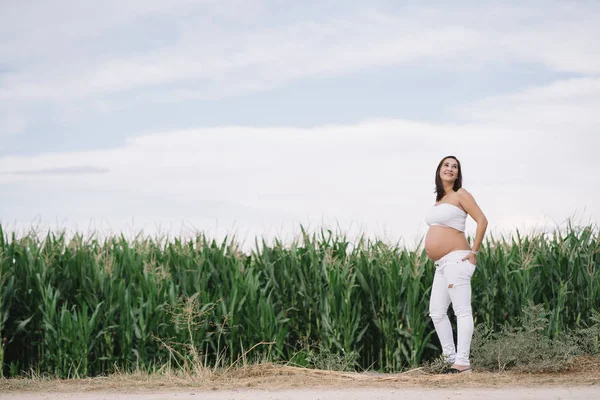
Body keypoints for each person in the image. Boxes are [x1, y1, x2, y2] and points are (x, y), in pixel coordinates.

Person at [424, 155, 488, 373]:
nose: (450, 169)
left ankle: (462, 362)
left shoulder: (461, 194)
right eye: (446, 165)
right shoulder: (439, 199)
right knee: (437, 312)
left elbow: (482, 220)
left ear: (458, 174)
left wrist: (474, 251)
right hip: (442, 264)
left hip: (457, 258)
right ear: (439, 170)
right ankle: (450, 358)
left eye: (454, 167)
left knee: (461, 310)